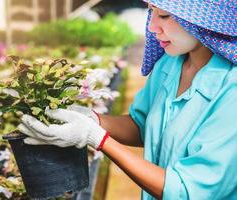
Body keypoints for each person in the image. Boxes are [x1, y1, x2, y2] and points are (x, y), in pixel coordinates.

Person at [18, 0, 237, 199]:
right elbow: (141, 126)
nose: (152, 27)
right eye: (151, 12)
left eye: (163, 15)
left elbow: (186, 191)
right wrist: (94, 120)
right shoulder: (170, 66)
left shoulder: (231, 91)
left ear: (203, 18)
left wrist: (98, 139)